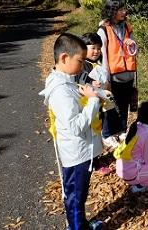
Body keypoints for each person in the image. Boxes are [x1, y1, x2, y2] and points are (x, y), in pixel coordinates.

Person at [39, 33, 103, 230]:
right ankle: (76, 227)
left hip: (80, 151)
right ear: (65, 58)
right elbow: (75, 126)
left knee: (79, 193)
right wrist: (93, 100)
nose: (83, 65)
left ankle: (80, 223)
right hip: (76, 154)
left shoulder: (66, 80)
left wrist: (87, 93)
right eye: (80, 60)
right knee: (76, 195)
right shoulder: (60, 90)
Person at [97, 0, 138, 135]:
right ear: (112, 10)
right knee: (111, 106)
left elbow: (133, 49)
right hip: (113, 75)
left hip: (128, 73)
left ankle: (122, 130)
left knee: (125, 104)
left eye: (123, 8)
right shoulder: (103, 30)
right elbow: (103, 57)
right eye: (120, 9)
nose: (124, 11)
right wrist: (106, 78)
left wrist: (131, 44)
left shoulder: (127, 26)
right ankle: (108, 134)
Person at [76, 33, 123, 149]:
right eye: (93, 48)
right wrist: (91, 82)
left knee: (108, 110)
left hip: (99, 94)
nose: (96, 51)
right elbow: (79, 80)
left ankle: (111, 132)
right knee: (98, 115)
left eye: (98, 48)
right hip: (87, 98)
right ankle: (106, 135)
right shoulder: (82, 64)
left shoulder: (96, 63)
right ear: (83, 48)